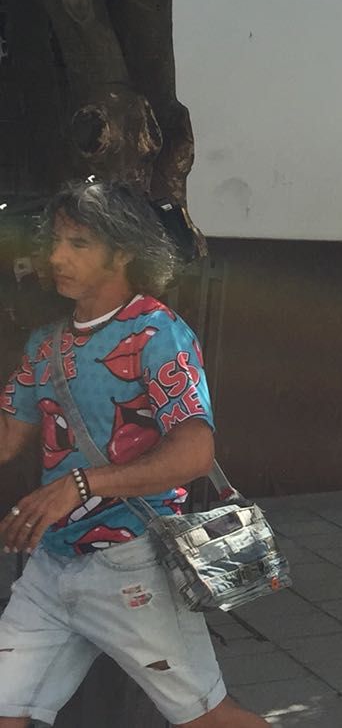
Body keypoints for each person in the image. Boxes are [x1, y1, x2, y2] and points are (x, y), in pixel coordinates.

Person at [0, 181, 268, 728]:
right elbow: (8, 437)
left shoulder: (157, 333)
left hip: (133, 565)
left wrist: (81, 484)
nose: (57, 257)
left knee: (209, 719)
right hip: (50, 565)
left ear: (123, 252)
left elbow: (195, 452)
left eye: (78, 243)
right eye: (56, 241)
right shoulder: (45, 344)